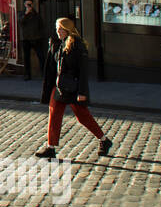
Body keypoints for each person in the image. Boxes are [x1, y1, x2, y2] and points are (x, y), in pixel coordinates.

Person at [36, 17, 112, 159]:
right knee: (54, 114)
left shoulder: (78, 45)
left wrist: (82, 92)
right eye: (57, 28)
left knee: (82, 116)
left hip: (72, 87)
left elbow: (83, 71)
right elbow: (55, 64)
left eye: (60, 29)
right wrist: (52, 47)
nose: (58, 31)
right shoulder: (59, 43)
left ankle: (104, 140)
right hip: (60, 87)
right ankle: (50, 147)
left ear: (67, 30)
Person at [19, 0, 46, 82]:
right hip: (26, 38)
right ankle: (27, 74)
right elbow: (20, 22)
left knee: (41, 56)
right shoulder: (22, 13)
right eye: (27, 4)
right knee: (26, 58)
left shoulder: (36, 14)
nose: (29, 6)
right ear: (24, 4)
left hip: (36, 38)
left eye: (30, 4)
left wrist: (39, 35)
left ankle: (44, 74)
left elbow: (41, 25)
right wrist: (26, 14)